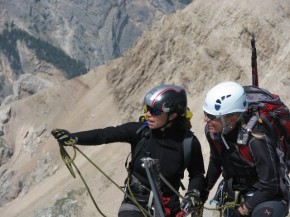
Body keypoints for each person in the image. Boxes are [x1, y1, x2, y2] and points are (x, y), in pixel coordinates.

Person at [51, 84, 205, 217]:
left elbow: (197, 174)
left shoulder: (188, 143)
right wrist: (74, 138)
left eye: (155, 111)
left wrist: (193, 193)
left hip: (169, 208)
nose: (148, 114)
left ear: (172, 115)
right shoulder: (139, 132)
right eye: (147, 108)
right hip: (135, 202)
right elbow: (104, 135)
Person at [201, 81, 289, 217]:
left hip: (268, 197)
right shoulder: (213, 133)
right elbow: (216, 161)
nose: (205, 119)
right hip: (234, 195)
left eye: (212, 116)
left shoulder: (256, 139)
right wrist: (203, 193)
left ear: (232, 118)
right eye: (206, 113)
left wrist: (243, 210)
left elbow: (270, 186)